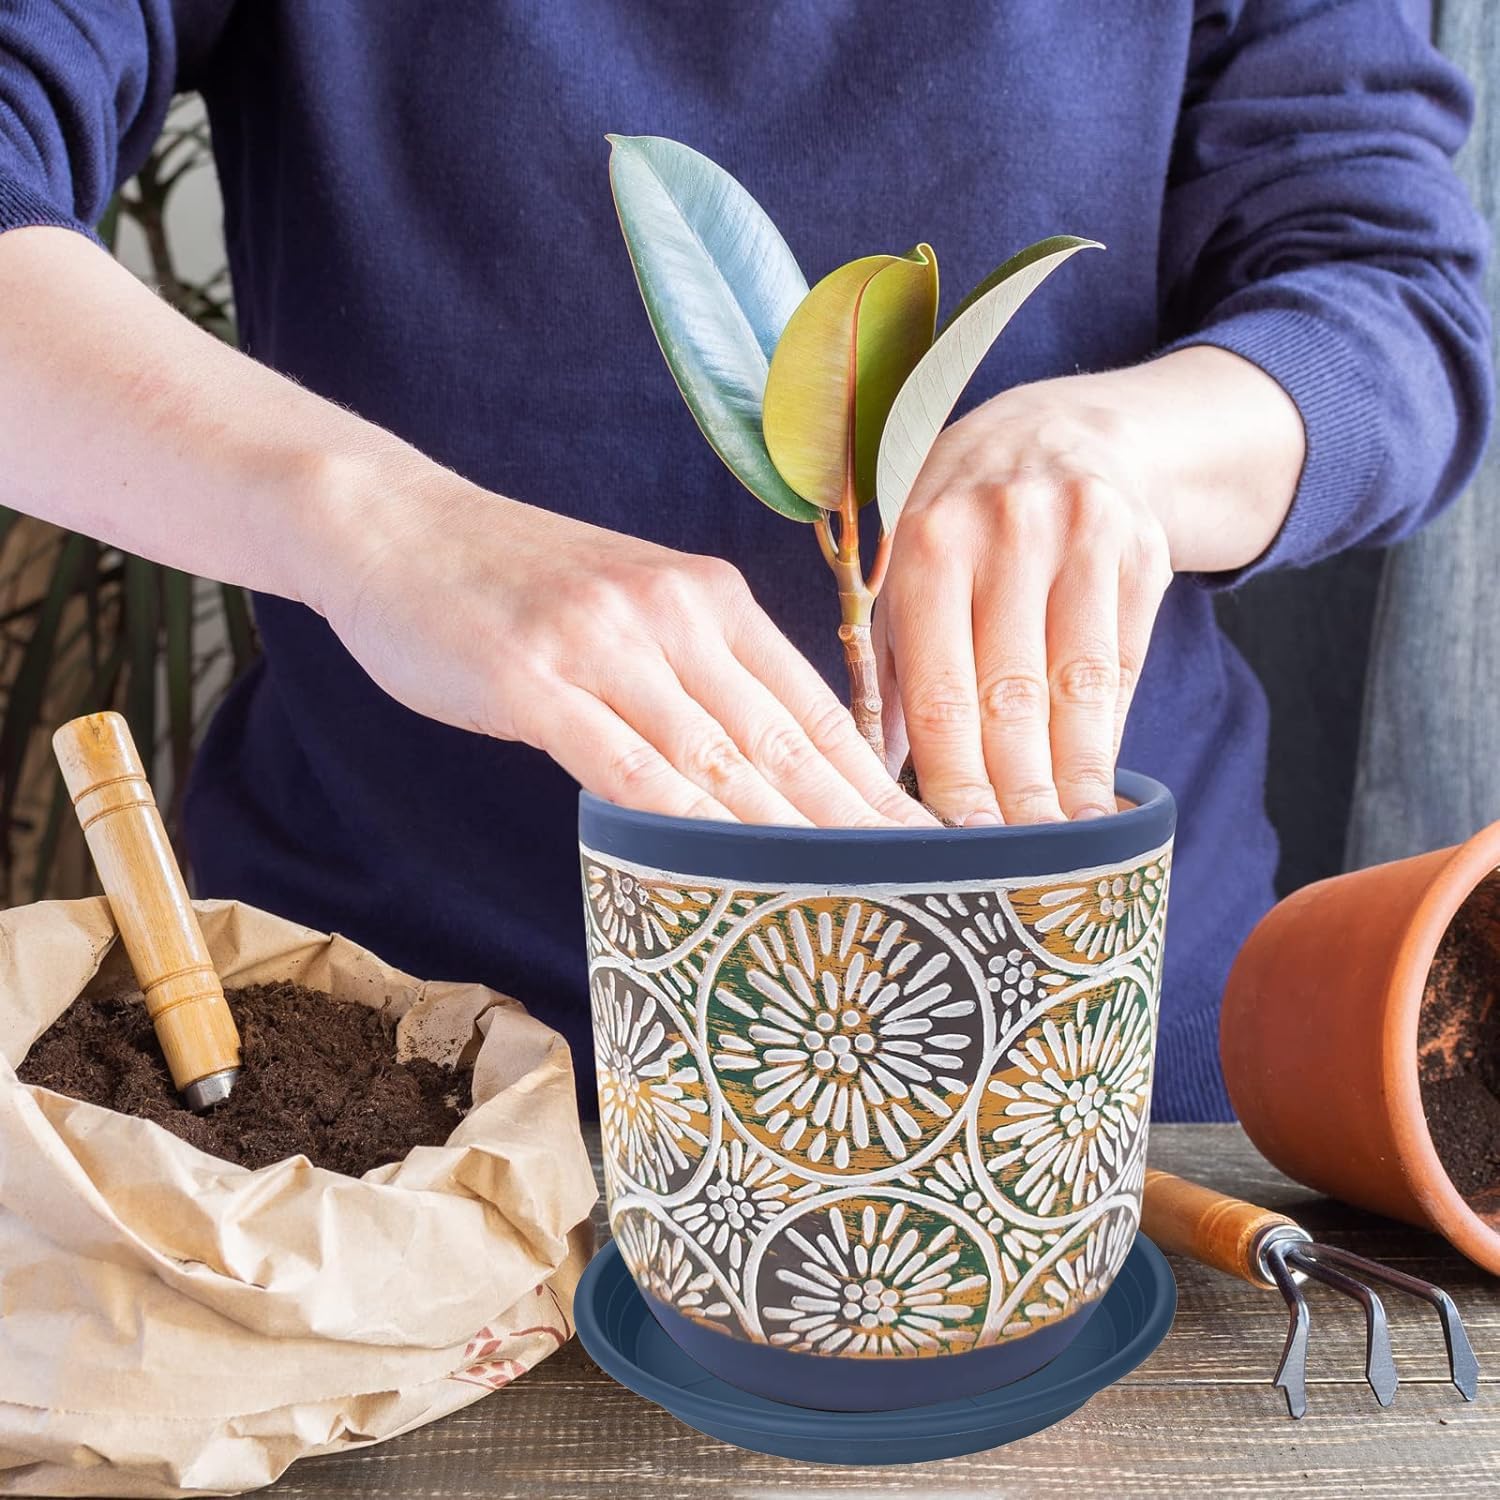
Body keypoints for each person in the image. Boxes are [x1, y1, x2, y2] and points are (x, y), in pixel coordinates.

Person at [0, 1, 1489, 1121]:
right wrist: (373, 521)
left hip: (1095, 1077)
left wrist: (1127, 452)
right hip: (401, 1087)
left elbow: (1391, 290)